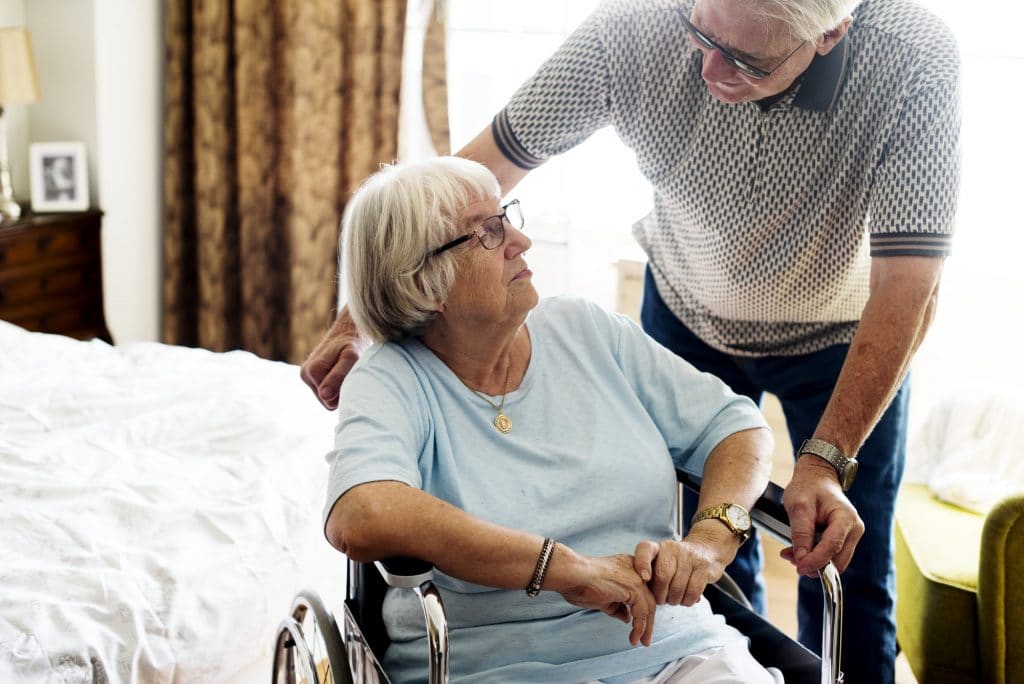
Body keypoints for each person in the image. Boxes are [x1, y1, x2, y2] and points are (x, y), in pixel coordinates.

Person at [306, 0, 958, 680]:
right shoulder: (635, 28)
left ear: (830, 35)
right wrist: (371, 306)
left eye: (745, 58)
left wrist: (737, 523)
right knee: (728, 581)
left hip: (841, 332)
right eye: (699, 34)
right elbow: (478, 172)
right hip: (685, 303)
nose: (707, 66)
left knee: (848, 575)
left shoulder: (908, 56)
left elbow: (910, 284)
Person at [323, 156, 799, 683]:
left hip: (678, 653)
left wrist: (710, 538)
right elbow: (360, 513)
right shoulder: (391, 378)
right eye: (485, 233)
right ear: (423, 284)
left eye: (505, 217)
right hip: (496, 668)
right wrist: (569, 571)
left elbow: (735, 424)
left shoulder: (587, 330)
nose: (519, 242)